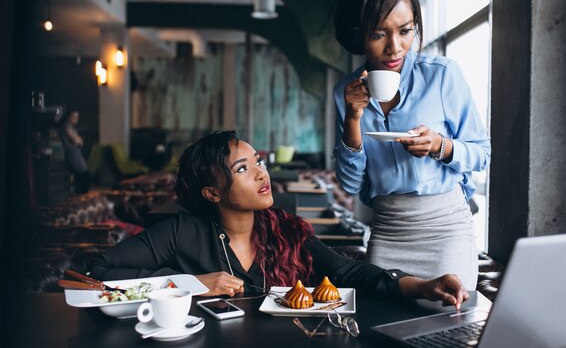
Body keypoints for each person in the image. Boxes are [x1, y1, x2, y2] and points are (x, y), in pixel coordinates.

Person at [90, 131, 469, 309]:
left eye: (259, 161)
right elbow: (98, 276)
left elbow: (347, 272)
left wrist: (420, 285)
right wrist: (188, 285)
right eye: (243, 168)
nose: (261, 173)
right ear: (212, 192)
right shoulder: (180, 232)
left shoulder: (285, 228)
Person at [332, 0, 491, 290]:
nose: (395, 47)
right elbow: (350, 185)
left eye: (405, 31)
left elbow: (482, 154)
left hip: (447, 231)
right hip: (387, 231)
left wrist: (439, 146)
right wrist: (352, 119)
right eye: (378, 35)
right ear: (358, 34)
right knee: (379, 330)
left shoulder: (442, 75)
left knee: (449, 328)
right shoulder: (345, 92)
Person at [59, 109, 90, 194]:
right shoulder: (66, 126)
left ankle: (80, 196)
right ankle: (79, 197)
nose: (76, 119)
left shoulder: (71, 127)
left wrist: (78, 139)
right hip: (72, 154)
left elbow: (80, 141)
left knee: (83, 175)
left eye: (77, 117)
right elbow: (76, 141)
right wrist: (78, 139)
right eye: (74, 117)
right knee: (83, 176)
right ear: (68, 117)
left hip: (76, 153)